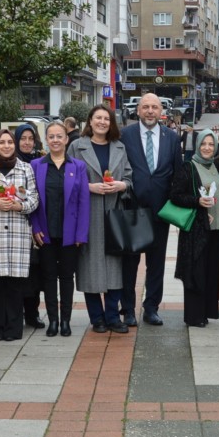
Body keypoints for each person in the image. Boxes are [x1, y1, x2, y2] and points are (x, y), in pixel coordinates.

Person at [68, 105, 133, 333]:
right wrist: (88, 187)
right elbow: (67, 181)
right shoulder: (77, 146)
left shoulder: (119, 147)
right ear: (90, 121)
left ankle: (113, 316)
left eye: (107, 118)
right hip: (88, 214)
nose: (102, 122)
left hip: (114, 214)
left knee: (115, 267)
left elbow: (129, 178)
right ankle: (97, 318)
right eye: (98, 118)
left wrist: (121, 185)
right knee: (90, 267)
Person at [120, 93, 180, 328]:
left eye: (155, 107)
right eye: (145, 107)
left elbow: (177, 173)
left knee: (157, 263)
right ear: (138, 110)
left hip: (160, 211)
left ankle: (151, 308)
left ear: (161, 110)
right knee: (130, 263)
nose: (150, 111)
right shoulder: (125, 135)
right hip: (133, 209)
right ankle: (128, 310)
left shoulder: (172, 138)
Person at [0, 128, 40, 341]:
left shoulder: (26, 169)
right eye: (1, 142)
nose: (6, 146)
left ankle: (13, 328)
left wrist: (17, 206)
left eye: (10, 142)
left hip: (17, 231)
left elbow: (34, 199)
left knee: (15, 284)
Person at [30, 120, 90, 337]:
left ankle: (66, 321)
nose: (56, 140)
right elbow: (32, 200)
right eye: (51, 136)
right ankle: (52, 320)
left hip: (69, 234)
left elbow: (84, 203)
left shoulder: (78, 166)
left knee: (66, 278)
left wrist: (81, 234)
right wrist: (35, 227)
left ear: (66, 139)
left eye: (59, 136)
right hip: (44, 232)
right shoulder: (36, 165)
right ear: (47, 140)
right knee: (48, 277)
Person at [171, 129, 219, 328]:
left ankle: (206, 312)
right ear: (197, 145)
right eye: (203, 144)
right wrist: (197, 201)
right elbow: (175, 195)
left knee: (210, 272)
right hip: (196, 230)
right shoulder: (188, 166)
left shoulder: (215, 166)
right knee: (195, 272)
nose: (207, 148)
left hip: (217, 229)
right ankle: (194, 316)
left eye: (211, 144)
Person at [13, 123, 47, 330]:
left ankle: (32, 313)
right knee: (18, 275)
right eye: (23, 139)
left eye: (30, 139)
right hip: (17, 226)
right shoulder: (11, 163)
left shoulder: (39, 162)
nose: (26, 143)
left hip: (37, 225)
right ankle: (17, 313)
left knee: (36, 273)